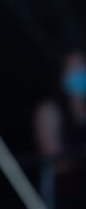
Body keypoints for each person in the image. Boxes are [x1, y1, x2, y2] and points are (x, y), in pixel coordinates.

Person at [33, 49, 86, 208]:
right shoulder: (49, 110)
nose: (80, 73)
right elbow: (55, 159)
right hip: (64, 192)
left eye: (83, 67)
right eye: (74, 68)